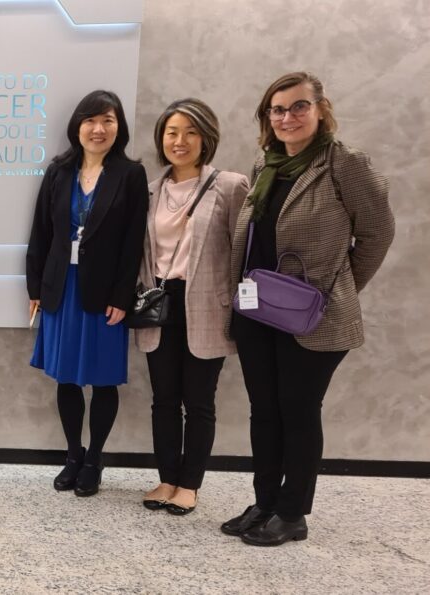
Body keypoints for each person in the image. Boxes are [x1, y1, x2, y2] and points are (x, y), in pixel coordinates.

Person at [222, 72, 394, 545]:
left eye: (298, 106)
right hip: (258, 309)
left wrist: (337, 289)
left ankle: (292, 512)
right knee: (265, 411)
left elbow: (377, 234)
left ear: (321, 109)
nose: (287, 117)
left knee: (298, 410)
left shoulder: (344, 165)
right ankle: (264, 502)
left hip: (311, 316)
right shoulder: (265, 168)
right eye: (277, 109)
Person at [26, 90, 148, 497]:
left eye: (108, 121)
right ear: (77, 126)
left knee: (103, 379)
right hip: (61, 288)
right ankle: (73, 455)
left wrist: (122, 295)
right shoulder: (58, 172)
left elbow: (133, 243)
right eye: (91, 120)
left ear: (119, 128)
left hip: (105, 294)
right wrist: (35, 288)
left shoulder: (130, 174)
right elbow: (42, 233)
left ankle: (95, 458)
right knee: (66, 378)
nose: (99, 129)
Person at [134, 99, 249, 515]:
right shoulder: (150, 190)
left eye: (190, 132)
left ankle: (190, 485)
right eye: (171, 132)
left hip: (206, 305)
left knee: (198, 401)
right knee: (163, 398)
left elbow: (244, 252)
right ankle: (166, 478)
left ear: (207, 138)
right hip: (158, 303)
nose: (179, 141)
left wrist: (242, 305)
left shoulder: (231, 186)